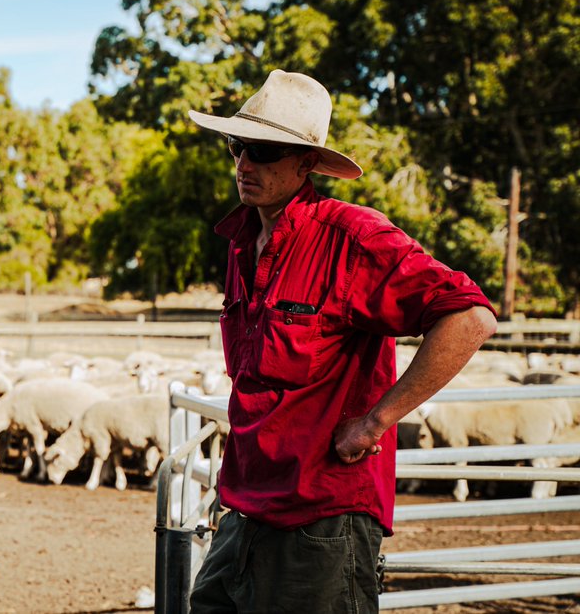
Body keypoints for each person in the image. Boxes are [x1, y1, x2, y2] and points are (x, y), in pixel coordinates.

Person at [185, 69, 498, 612]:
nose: (244, 163)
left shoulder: (354, 237)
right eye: (238, 146)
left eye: (262, 150)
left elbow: (470, 318)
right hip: (244, 511)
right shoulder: (241, 244)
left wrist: (376, 420)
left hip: (321, 520)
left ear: (306, 163)